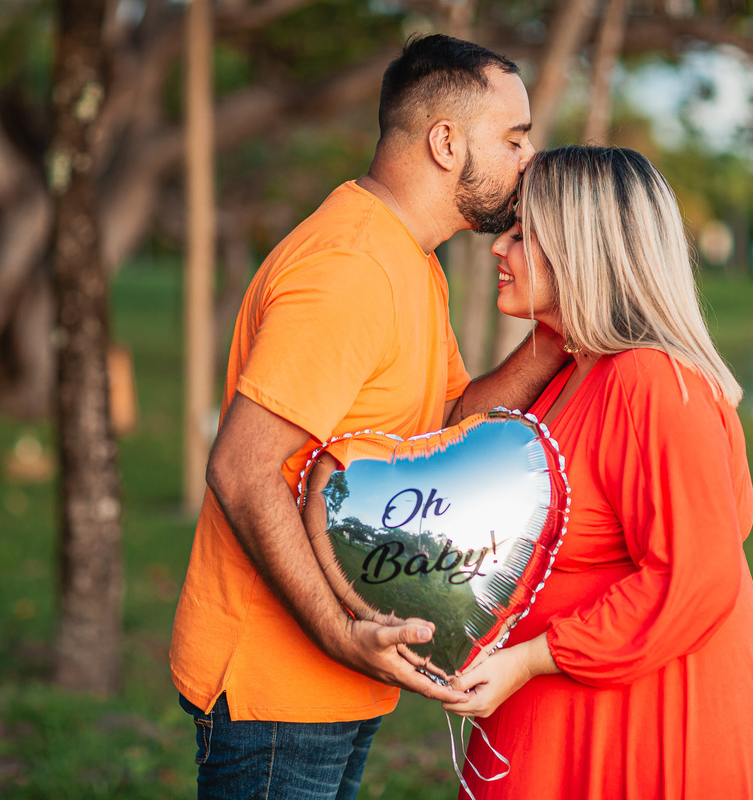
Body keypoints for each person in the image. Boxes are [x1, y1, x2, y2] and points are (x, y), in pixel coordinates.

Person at [170, 35, 568, 800]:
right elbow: (241, 466)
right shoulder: (350, 268)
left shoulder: (406, 258)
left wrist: (554, 341)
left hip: (333, 679)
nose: (528, 159)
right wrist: (337, 632)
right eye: (514, 138)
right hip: (277, 686)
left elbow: (446, 422)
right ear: (447, 142)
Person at [441, 145, 753, 799]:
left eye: (525, 233)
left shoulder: (652, 384)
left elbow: (692, 578)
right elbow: (460, 434)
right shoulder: (576, 371)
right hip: (576, 731)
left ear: (582, 248)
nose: (500, 248)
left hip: (656, 737)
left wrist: (529, 661)